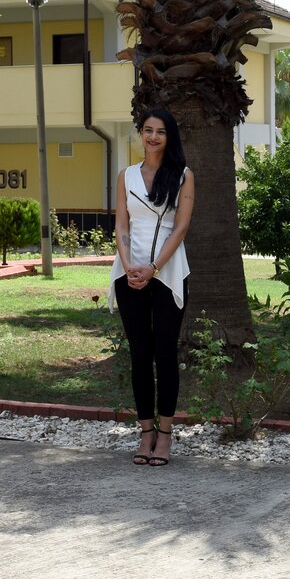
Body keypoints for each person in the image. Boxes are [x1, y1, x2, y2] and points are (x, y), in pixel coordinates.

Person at [109, 108, 193, 464]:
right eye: (147, 130)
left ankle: (166, 436)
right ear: (140, 134)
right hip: (129, 275)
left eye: (160, 131)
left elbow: (181, 228)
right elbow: (122, 226)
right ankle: (145, 435)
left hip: (169, 273)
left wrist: (154, 267)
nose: (153, 137)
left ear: (168, 136)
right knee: (140, 355)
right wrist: (130, 268)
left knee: (165, 353)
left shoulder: (183, 176)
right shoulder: (125, 176)